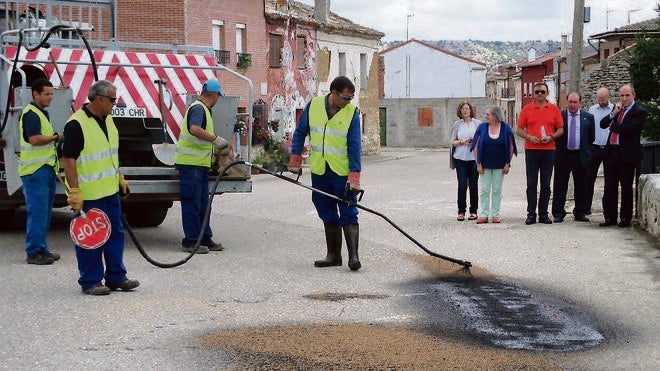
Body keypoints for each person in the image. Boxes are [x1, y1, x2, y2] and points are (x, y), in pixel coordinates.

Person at [61, 80, 139, 295]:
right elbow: (68, 159)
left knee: (115, 234)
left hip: (109, 192)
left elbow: (110, 155)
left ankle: (116, 277)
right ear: (99, 99)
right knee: (91, 237)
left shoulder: (109, 121)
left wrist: (119, 178)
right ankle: (91, 281)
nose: (115, 103)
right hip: (89, 195)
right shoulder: (76, 124)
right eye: (113, 99)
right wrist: (75, 191)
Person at [288, 76, 362, 271]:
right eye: (346, 98)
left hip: (341, 171)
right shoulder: (314, 106)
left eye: (351, 98)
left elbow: (355, 146)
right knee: (324, 208)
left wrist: (355, 174)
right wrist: (295, 157)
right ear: (334, 93)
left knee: (348, 210)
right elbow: (300, 132)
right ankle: (334, 255)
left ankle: (353, 256)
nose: (349, 102)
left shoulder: (352, 113)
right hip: (320, 169)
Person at [174, 79, 229, 254]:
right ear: (214, 95)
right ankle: (190, 242)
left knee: (204, 203)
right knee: (193, 203)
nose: (218, 100)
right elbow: (194, 129)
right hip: (190, 165)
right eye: (218, 96)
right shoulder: (198, 108)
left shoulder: (203, 109)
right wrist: (215, 139)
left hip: (199, 165)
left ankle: (204, 238)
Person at [18, 78, 61, 265]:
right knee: (37, 212)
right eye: (47, 94)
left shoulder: (42, 113)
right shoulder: (31, 114)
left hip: (45, 169)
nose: (50, 97)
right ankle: (34, 252)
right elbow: (34, 139)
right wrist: (56, 137)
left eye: (52, 94)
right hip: (35, 171)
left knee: (44, 212)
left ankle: (42, 249)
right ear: (35, 94)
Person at [516, 82, 564, 225]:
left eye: (542, 92)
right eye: (537, 92)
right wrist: (530, 137)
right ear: (533, 94)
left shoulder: (554, 109)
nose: (540, 94)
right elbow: (519, 129)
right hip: (531, 150)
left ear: (547, 93)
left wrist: (551, 137)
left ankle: (543, 214)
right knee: (531, 183)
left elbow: (561, 129)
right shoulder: (527, 109)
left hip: (548, 150)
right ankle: (531, 214)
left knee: (546, 184)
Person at [599, 84, 646, 228]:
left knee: (626, 187)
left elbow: (631, 129)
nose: (624, 98)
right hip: (611, 152)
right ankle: (609, 217)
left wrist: (614, 127)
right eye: (622, 96)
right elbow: (602, 124)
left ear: (633, 95)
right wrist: (613, 114)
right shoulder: (618, 109)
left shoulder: (639, 111)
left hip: (627, 154)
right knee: (609, 187)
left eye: (627, 95)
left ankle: (625, 217)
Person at [551, 92, 595, 223]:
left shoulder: (588, 117)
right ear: (566, 102)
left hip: (580, 155)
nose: (572, 105)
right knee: (560, 184)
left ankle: (580, 212)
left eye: (575, 102)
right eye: (570, 102)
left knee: (581, 185)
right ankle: (558, 213)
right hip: (563, 155)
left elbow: (591, 138)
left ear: (580, 103)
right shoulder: (560, 116)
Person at [470, 105, 517, 224]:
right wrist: (478, 163)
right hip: (484, 164)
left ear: (495, 115)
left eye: (488, 114)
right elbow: (475, 146)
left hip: (500, 164)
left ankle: (495, 214)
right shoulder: (482, 127)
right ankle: (484, 214)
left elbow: (511, 145)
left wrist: (508, 163)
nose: (486, 116)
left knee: (497, 190)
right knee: (485, 190)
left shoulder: (506, 128)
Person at [586, 87, 614, 215]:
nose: (601, 102)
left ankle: (607, 210)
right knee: (589, 178)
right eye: (599, 99)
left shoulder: (614, 110)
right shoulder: (592, 110)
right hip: (594, 147)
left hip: (609, 149)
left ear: (608, 97)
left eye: (603, 99)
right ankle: (586, 208)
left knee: (609, 180)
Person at [450, 101, 480, 221]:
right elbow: (453, 142)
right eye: (463, 108)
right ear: (460, 111)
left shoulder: (477, 123)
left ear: (471, 110)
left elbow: (481, 139)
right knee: (462, 184)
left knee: (473, 185)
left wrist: (474, 142)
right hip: (460, 158)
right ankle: (461, 211)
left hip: (474, 158)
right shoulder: (457, 124)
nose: (465, 110)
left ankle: (473, 211)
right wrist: (462, 142)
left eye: (467, 108)